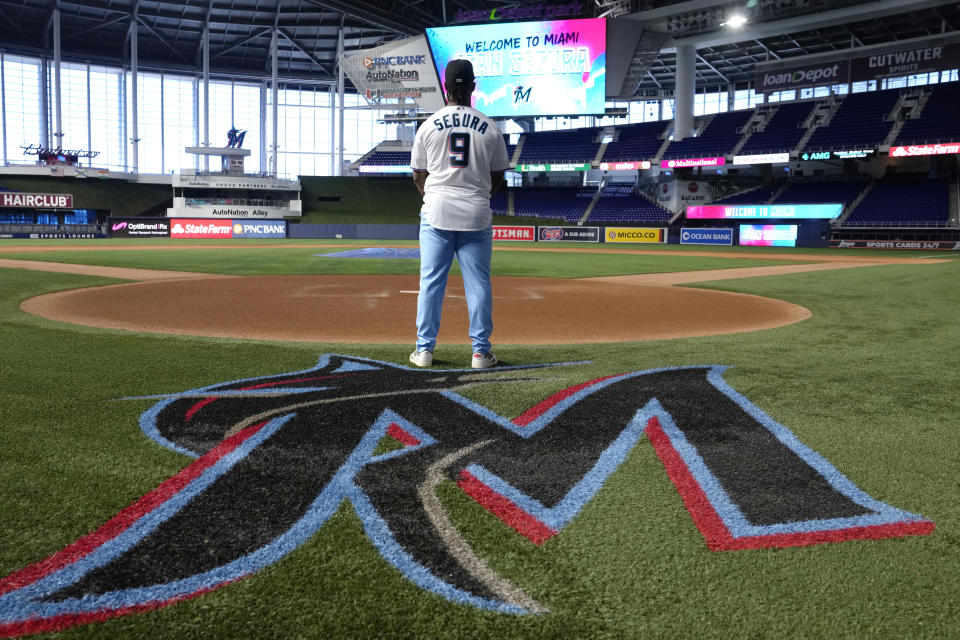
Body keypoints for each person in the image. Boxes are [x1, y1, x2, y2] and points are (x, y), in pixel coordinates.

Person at [409, 59, 509, 369]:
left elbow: (417, 174)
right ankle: (480, 353)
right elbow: (498, 177)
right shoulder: (490, 128)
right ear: (473, 87)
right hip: (476, 213)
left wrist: (434, 196)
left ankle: (424, 351)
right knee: (478, 285)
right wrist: (478, 194)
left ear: (445, 88)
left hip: (436, 211)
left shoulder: (428, 125)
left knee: (431, 284)